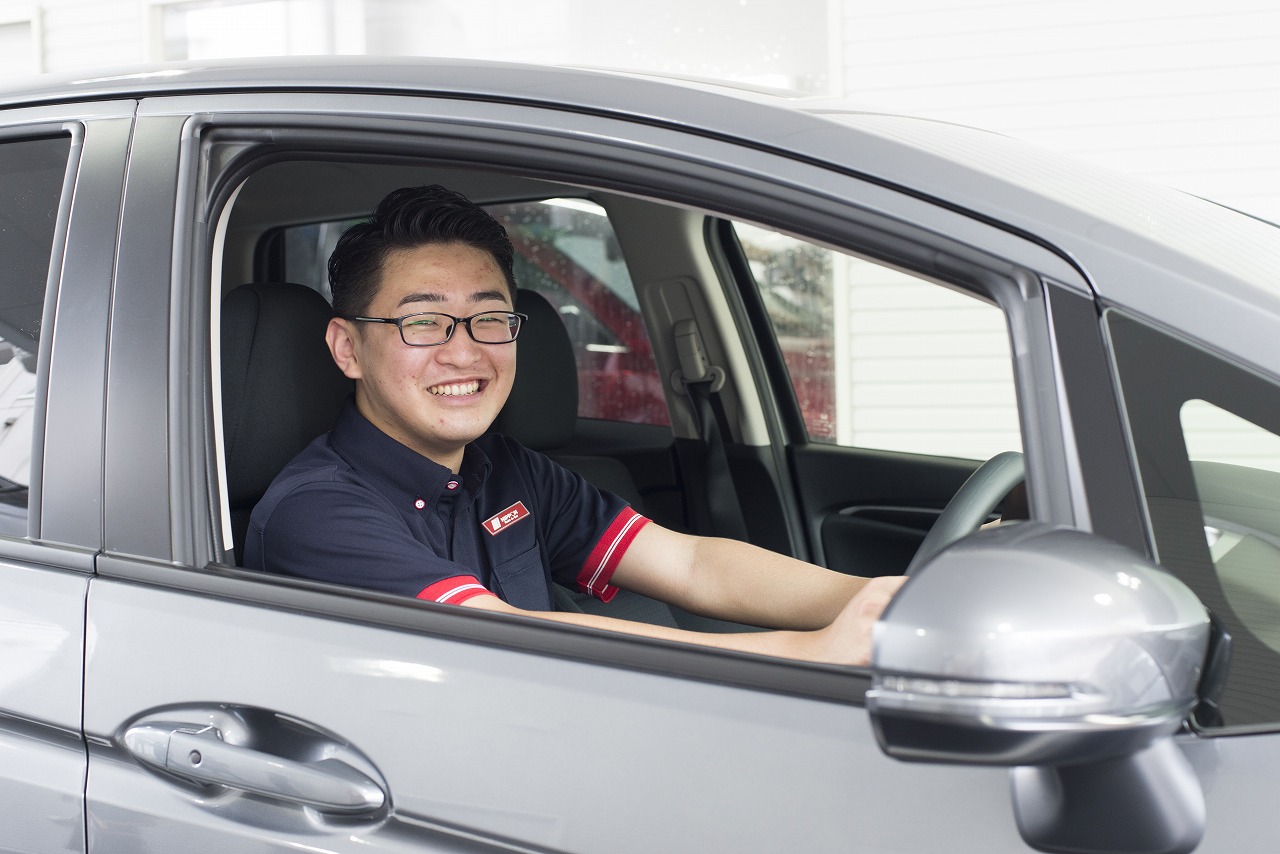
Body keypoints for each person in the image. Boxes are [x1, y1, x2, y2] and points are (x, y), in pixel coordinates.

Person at [245, 185, 905, 665]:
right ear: (348, 348)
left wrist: (879, 599)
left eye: (489, 318)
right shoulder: (316, 513)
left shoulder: (506, 469)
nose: (465, 350)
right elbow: (507, 639)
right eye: (422, 322)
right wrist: (813, 656)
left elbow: (692, 564)